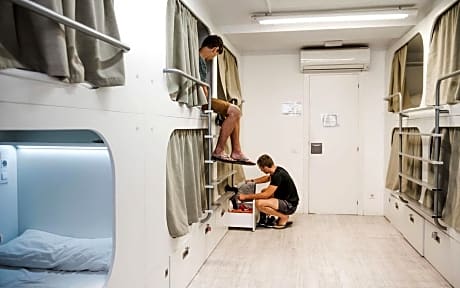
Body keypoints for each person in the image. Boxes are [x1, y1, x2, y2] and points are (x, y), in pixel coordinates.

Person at [199, 35, 254, 165]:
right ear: (215, 50)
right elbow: (202, 89)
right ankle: (219, 150)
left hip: (205, 98)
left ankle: (236, 150)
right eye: (215, 55)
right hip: (202, 100)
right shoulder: (198, 60)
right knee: (235, 111)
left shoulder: (200, 61)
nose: (213, 58)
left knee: (236, 113)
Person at [238, 154, 299, 229]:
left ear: (265, 167)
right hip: (288, 200)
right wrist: (253, 181)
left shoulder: (277, 175)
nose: (261, 170)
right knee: (263, 191)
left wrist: (245, 197)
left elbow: (266, 195)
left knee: (259, 203)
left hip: (289, 205)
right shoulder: (277, 170)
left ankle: (284, 217)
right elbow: (267, 178)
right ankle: (264, 219)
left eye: (261, 169)